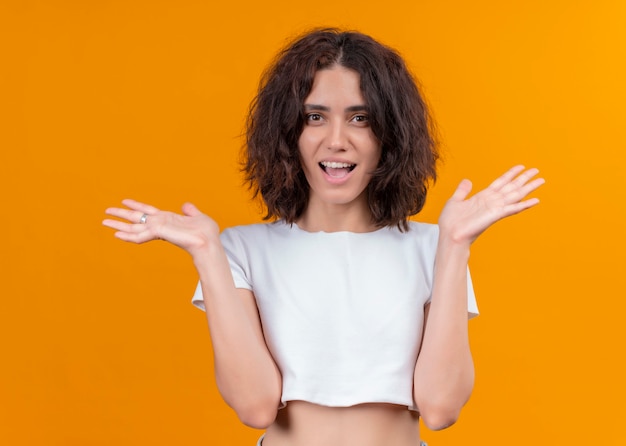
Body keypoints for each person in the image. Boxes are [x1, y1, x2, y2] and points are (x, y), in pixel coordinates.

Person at [103, 28, 544, 446]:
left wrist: (454, 246)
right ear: (289, 133)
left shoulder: (432, 247)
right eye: (315, 117)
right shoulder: (239, 250)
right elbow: (255, 407)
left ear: (389, 136)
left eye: (360, 118)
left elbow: (441, 408)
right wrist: (205, 250)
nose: (337, 140)